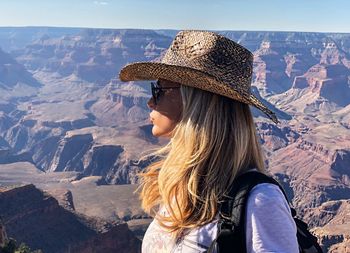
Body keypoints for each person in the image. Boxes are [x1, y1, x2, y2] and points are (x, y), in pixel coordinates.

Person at [119, 30, 298, 253]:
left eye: (159, 90)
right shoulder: (183, 186)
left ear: (194, 101)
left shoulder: (261, 202)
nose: (149, 102)